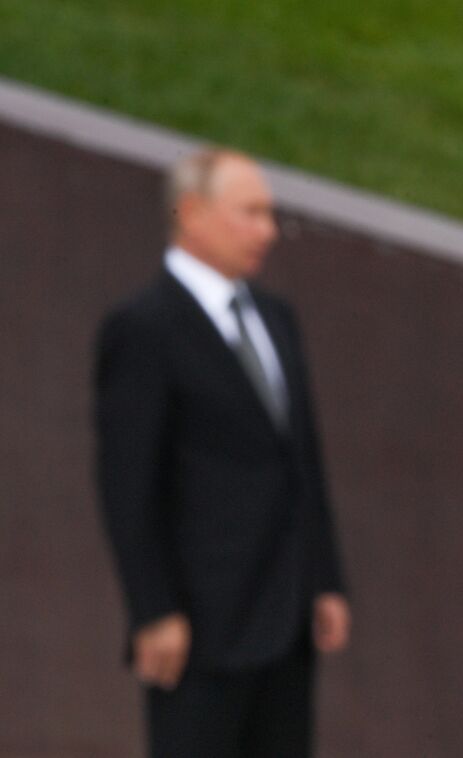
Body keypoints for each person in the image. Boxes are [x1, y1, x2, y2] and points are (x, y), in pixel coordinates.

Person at [94, 148, 351, 757]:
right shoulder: (143, 328)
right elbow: (126, 481)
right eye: (250, 212)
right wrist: (152, 609)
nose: (267, 230)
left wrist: (325, 578)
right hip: (199, 628)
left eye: (270, 214)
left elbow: (302, 460)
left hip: (287, 620)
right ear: (191, 212)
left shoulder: (276, 317)